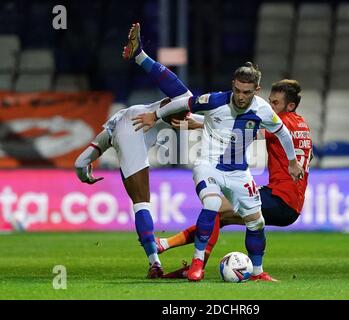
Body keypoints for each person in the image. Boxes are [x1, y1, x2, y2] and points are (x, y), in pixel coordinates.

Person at [132, 64, 304, 282]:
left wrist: (292, 162)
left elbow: (283, 133)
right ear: (233, 85)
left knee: (256, 222)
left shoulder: (263, 110)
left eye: (247, 92)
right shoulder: (214, 100)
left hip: (239, 172)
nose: (241, 97)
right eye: (238, 90)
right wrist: (154, 116)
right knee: (212, 204)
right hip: (208, 165)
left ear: (257, 90)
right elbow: (184, 102)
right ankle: (197, 264)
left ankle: (258, 273)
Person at [74, 23, 193, 278]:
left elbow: (84, 157)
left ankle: (154, 262)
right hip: (137, 122)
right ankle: (155, 263)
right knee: (141, 203)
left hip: (131, 117)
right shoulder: (142, 121)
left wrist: (83, 170)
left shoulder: (112, 129)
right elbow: (87, 157)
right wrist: (83, 166)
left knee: (141, 204)